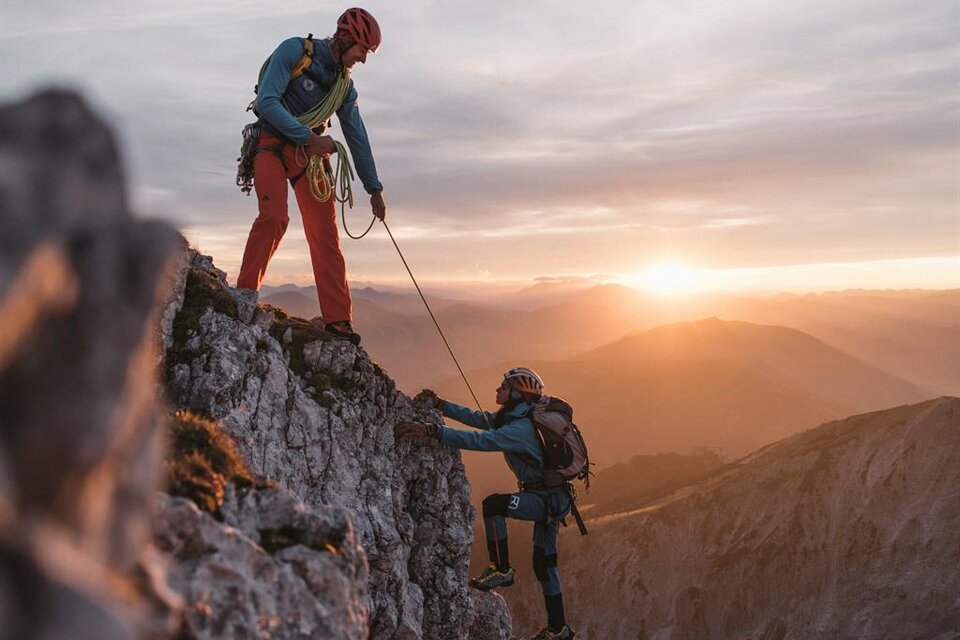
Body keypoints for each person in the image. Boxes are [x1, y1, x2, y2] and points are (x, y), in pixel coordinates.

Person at [236, 8, 386, 345]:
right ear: (346, 38)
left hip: (308, 157)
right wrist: (309, 137)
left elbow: (357, 136)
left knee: (325, 235)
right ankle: (244, 295)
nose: (362, 59)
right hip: (270, 144)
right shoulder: (294, 51)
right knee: (274, 217)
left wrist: (373, 188)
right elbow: (266, 102)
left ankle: (338, 321)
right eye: (362, 50)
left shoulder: (344, 88)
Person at [396, 367, 577, 640]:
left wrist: (434, 432)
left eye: (503, 387)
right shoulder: (517, 418)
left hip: (543, 500)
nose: (497, 391)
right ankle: (559, 628)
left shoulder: (520, 428)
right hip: (552, 499)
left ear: (516, 394)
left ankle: (502, 569)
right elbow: (481, 420)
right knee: (545, 564)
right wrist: (443, 406)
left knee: (494, 506)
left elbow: (482, 440)